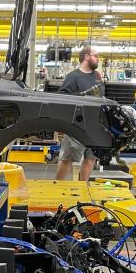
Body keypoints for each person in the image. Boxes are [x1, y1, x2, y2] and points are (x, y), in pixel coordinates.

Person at [55, 46, 105, 181]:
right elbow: (62, 97)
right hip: (78, 124)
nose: (98, 59)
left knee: (90, 158)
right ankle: (56, 186)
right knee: (68, 158)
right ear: (87, 57)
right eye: (96, 55)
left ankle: (83, 188)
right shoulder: (74, 77)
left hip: (95, 125)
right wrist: (80, 97)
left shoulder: (97, 76)